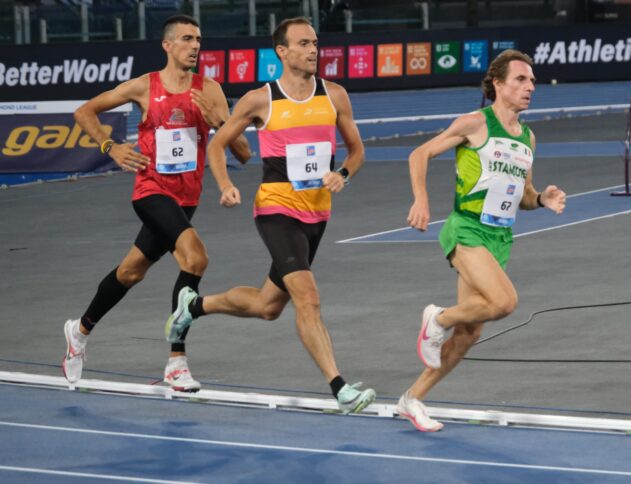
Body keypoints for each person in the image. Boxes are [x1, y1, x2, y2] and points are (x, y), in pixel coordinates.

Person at [165, 17, 376, 414]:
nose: (314, 50)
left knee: (267, 306)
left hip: (317, 214)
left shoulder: (335, 95)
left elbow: (357, 151)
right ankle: (340, 388)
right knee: (307, 298)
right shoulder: (260, 99)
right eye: (303, 44)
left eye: (315, 43)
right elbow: (217, 146)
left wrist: (342, 173)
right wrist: (226, 184)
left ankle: (192, 308)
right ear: (282, 51)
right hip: (276, 210)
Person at [62, 14, 251, 392]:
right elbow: (84, 112)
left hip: (187, 197)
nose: (195, 45)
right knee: (195, 257)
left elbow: (245, 154)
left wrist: (218, 122)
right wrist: (110, 146)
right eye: (186, 38)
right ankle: (176, 361)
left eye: (198, 38)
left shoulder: (210, 90)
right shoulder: (144, 87)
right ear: (167, 45)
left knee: (131, 272)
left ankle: (78, 332)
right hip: (150, 190)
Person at [397, 50, 566, 431]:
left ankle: (412, 399)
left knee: (469, 333)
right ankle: (436, 317)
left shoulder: (528, 138)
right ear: (498, 84)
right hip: (467, 229)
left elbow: (523, 194)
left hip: (500, 237)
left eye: (533, 81)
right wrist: (421, 199)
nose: (530, 87)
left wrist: (541, 199)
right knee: (504, 302)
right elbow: (419, 153)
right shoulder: (475, 124)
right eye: (521, 80)